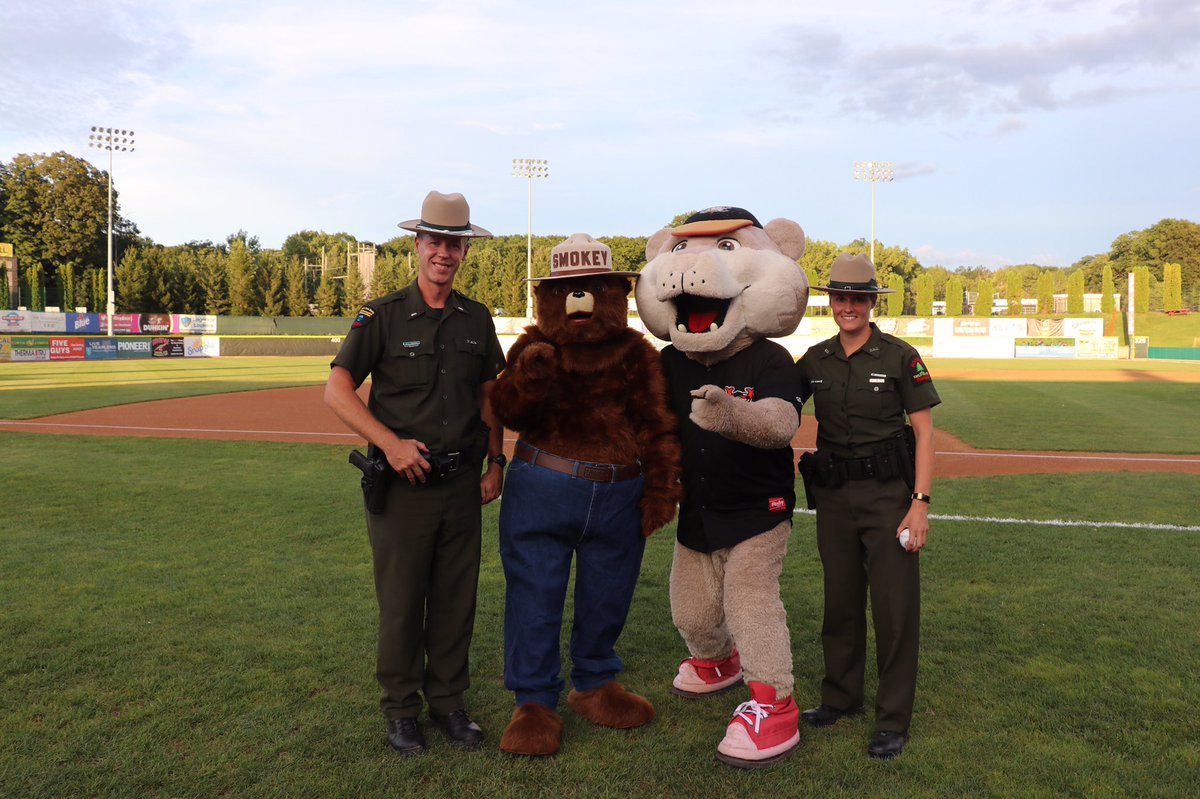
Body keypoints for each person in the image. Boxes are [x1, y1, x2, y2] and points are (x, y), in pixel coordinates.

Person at [324, 190, 507, 756]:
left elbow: (489, 397)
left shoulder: (476, 318)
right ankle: (401, 711)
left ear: (464, 251)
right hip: (404, 487)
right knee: (403, 602)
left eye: (454, 243)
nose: (444, 253)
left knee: (456, 600)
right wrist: (390, 444)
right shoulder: (380, 315)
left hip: (461, 484)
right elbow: (336, 390)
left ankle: (449, 704)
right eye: (435, 241)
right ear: (417, 245)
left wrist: (496, 460)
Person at [795, 252, 940, 760]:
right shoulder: (814, 360)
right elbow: (776, 405)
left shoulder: (900, 357)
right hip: (835, 498)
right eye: (840, 297)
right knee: (839, 602)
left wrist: (919, 504)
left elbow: (924, 436)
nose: (848, 306)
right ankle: (840, 698)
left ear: (872, 302)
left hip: (888, 499)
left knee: (895, 611)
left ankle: (893, 719)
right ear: (830, 301)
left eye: (858, 297)